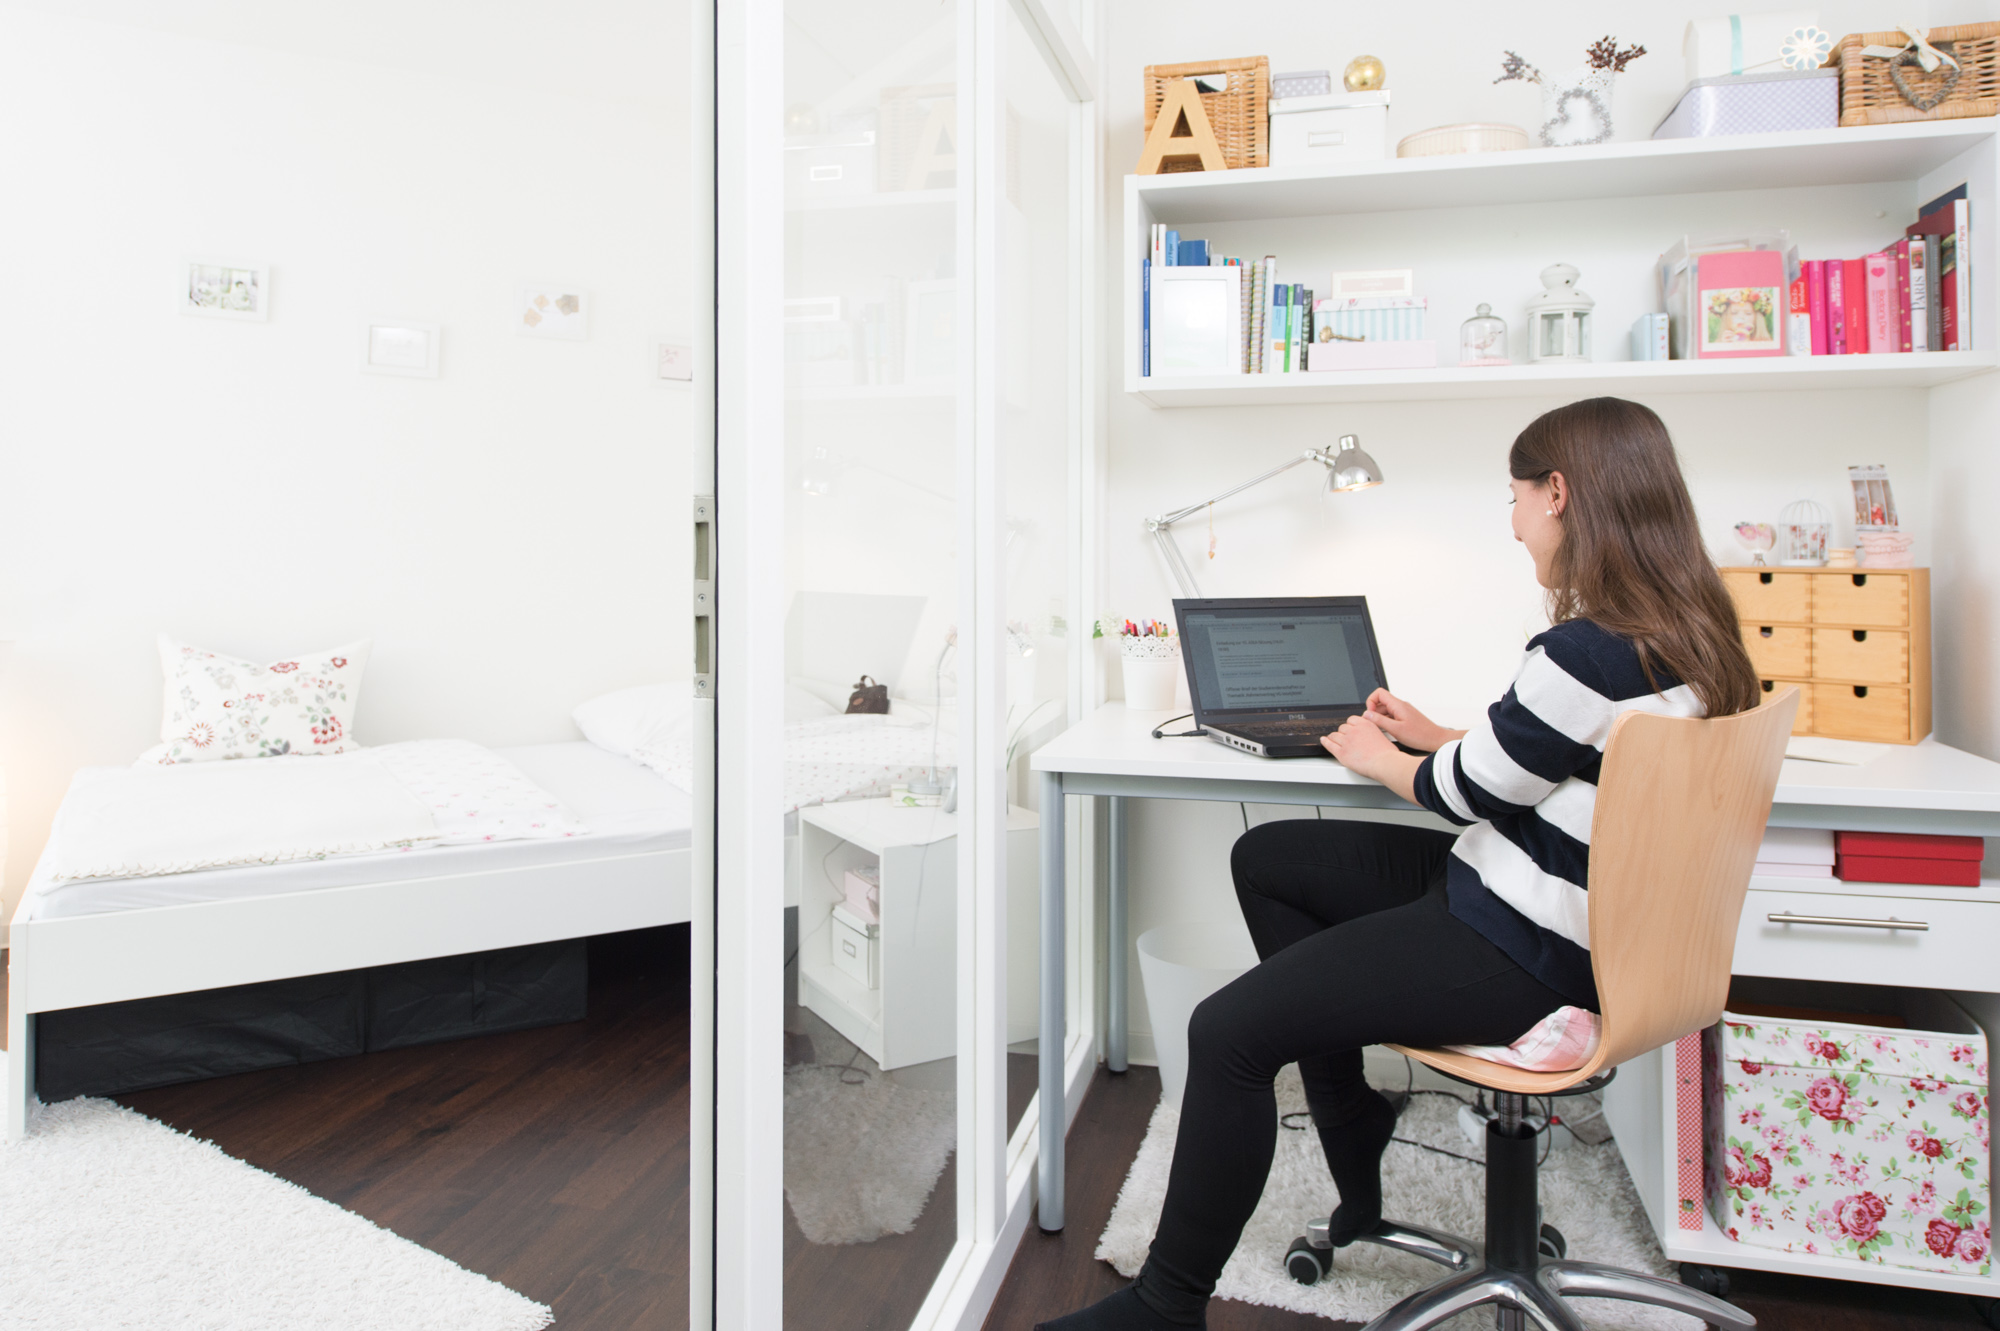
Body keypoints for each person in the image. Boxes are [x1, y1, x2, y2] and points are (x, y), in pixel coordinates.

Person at [1036, 397, 1760, 1331]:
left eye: (1514, 498)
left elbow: (1464, 794)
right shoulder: (1690, 634)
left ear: (1559, 493)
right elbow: (1572, 766)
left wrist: (1384, 758)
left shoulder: (1585, 649)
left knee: (1227, 1034)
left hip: (1520, 948)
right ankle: (1352, 1119)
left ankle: (1165, 1304)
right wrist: (1439, 734)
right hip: (1573, 921)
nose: (1512, 522)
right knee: (1272, 857)